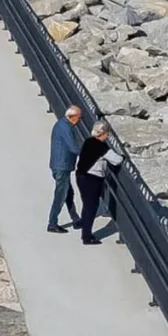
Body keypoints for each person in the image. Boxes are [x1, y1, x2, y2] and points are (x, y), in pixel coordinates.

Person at [73, 120, 113, 244]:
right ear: (103, 133)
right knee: (91, 207)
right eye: (108, 133)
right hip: (92, 179)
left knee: (86, 204)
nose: (108, 136)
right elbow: (116, 160)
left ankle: (82, 224)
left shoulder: (88, 141)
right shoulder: (101, 146)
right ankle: (87, 236)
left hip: (81, 175)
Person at [47, 104, 84, 232]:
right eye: (79, 117)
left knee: (68, 193)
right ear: (72, 117)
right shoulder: (65, 128)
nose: (80, 120)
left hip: (61, 165)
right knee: (60, 195)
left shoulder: (62, 125)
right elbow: (73, 148)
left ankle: (76, 219)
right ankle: (52, 223)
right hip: (61, 166)